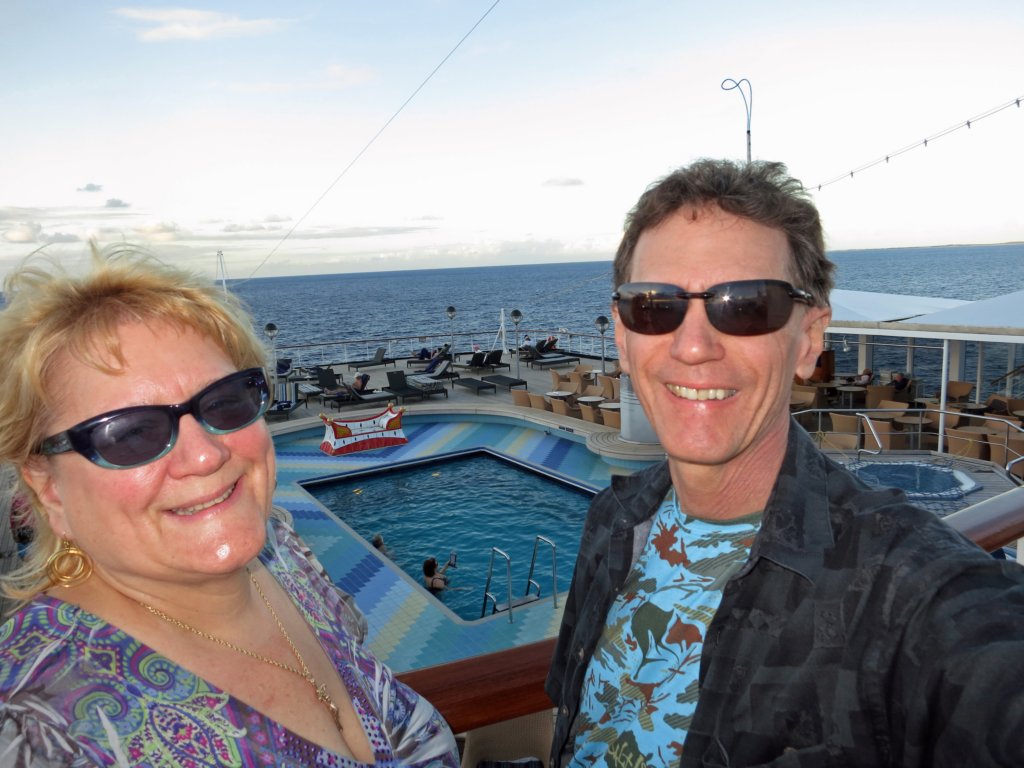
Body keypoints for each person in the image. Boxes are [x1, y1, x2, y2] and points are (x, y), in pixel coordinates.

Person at [545, 159, 1024, 767]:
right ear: (622, 334)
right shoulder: (614, 519)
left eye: (746, 306)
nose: (693, 347)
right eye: (654, 306)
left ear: (809, 339)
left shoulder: (899, 589)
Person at [0, 244, 458, 766]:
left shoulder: (284, 554)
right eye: (129, 433)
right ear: (48, 486)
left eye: (222, 402)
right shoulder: (36, 726)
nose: (206, 454)